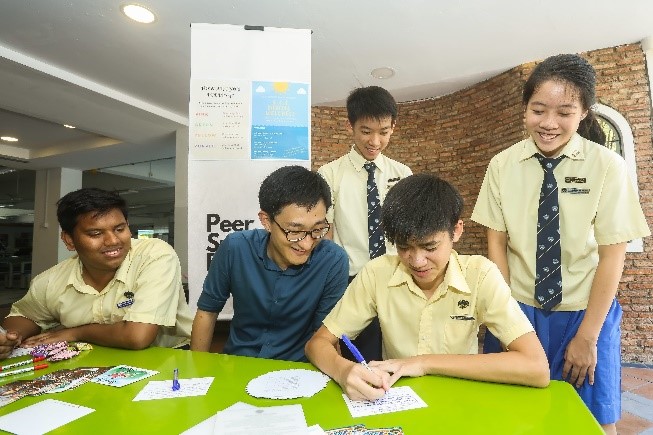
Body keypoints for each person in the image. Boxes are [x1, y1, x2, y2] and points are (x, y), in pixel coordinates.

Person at [471, 54, 650, 434]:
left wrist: (588, 336)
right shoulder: (502, 166)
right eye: (538, 110)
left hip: (585, 311)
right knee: (511, 416)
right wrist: (507, 317)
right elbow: (497, 244)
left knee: (593, 421)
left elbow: (612, 255)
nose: (549, 123)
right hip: (519, 308)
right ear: (525, 109)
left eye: (564, 112)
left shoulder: (606, 166)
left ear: (583, 112)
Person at [305, 174, 549, 401]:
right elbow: (317, 344)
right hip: (397, 401)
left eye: (430, 247)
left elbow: (536, 368)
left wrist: (423, 363)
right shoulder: (377, 273)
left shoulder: (480, 275)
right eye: (404, 247)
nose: (417, 261)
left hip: (460, 399)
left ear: (456, 231)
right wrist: (344, 371)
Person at [0, 188, 193, 359]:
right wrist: (10, 338)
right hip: (91, 359)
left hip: (168, 357)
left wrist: (74, 333)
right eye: (96, 234)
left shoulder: (154, 255)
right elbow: (25, 316)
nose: (113, 241)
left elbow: (137, 336)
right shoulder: (51, 281)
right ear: (69, 240)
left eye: (120, 229)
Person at [191, 165, 349, 362]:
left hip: (299, 369)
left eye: (317, 230)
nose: (307, 244)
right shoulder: (235, 248)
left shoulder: (333, 261)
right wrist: (197, 368)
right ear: (266, 221)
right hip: (239, 363)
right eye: (295, 231)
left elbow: (324, 336)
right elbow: (207, 311)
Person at [317, 85, 412, 361]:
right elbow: (326, 234)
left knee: (400, 355)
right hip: (352, 280)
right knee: (359, 359)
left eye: (384, 132)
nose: (375, 141)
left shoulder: (402, 173)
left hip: (397, 278)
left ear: (393, 127)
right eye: (366, 131)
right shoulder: (330, 174)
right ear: (351, 126)